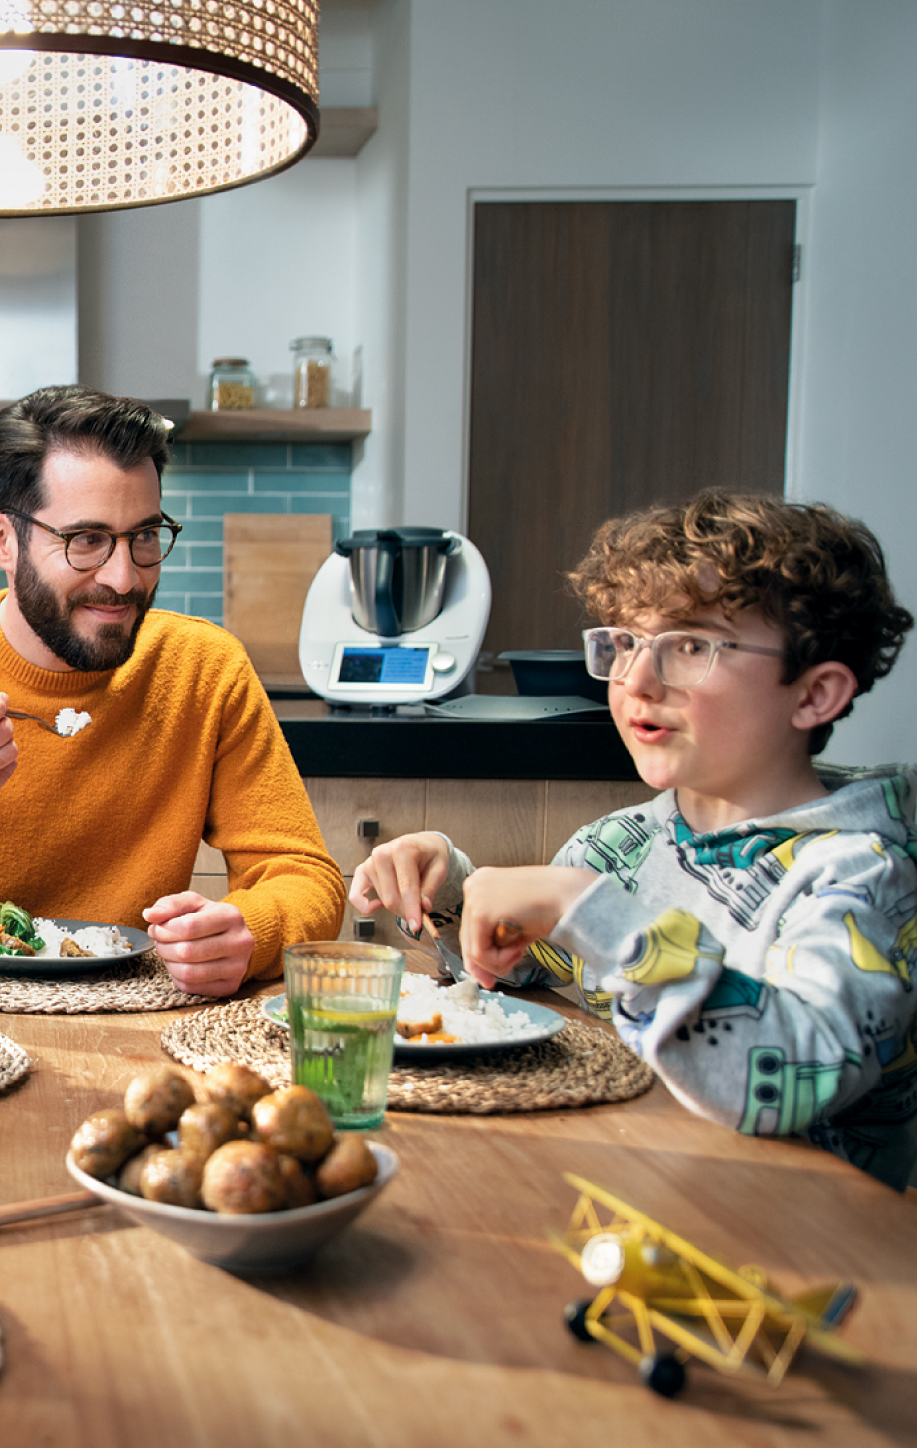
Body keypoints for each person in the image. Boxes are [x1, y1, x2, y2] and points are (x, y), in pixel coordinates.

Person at [352, 491, 917, 1187]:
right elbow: (532, 965)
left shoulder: (861, 877)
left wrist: (583, 904)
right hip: (650, 1184)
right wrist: (454, 889)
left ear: (813, 695)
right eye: (625, 642)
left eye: (690, 645)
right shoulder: (626, 840)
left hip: (808, 1242)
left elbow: (783, 1081)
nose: (636, 680)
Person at [0, 385, 346, 995]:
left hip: (139, 1017)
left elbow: (307, 877)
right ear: (1, 539)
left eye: (144, 536)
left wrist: (253, 929)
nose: (123, 577)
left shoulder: (204, 668)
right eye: (86, 540)